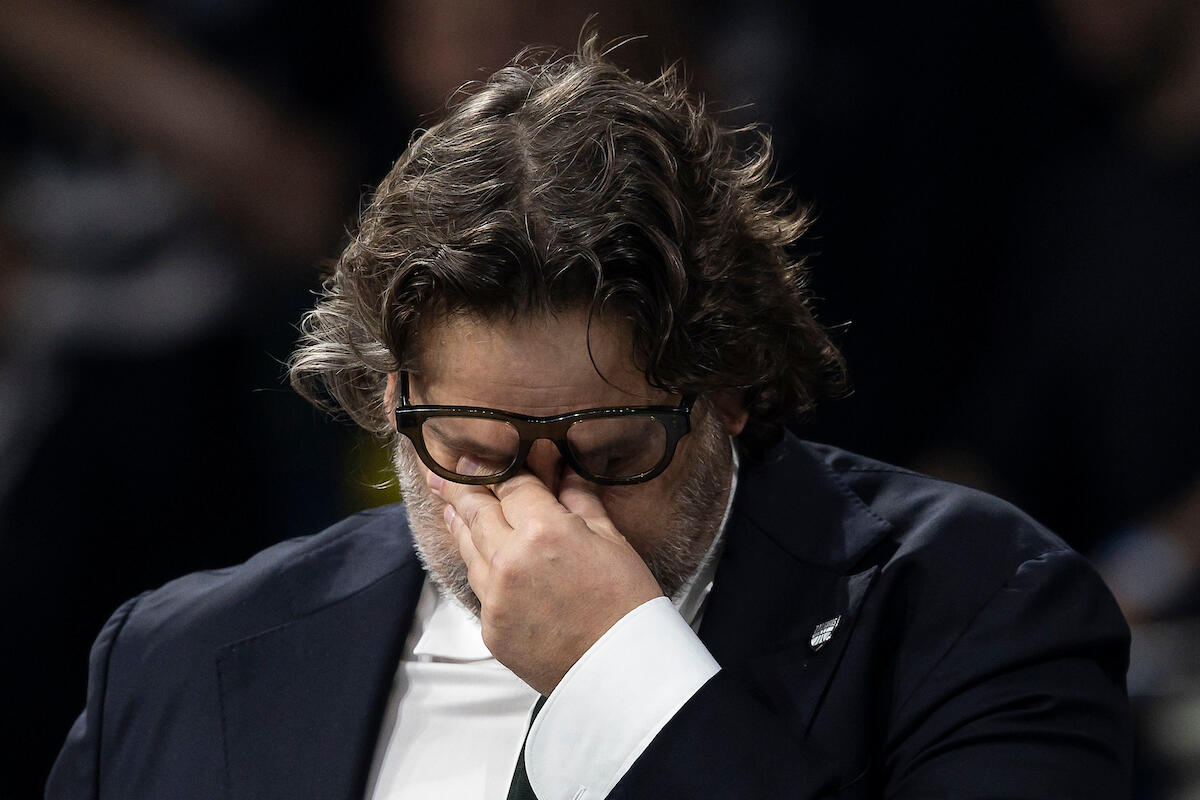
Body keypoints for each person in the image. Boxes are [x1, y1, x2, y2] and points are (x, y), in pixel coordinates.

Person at [46, 36, 1132, 799]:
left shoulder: (982, 613)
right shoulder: (176, 659)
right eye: (474, 453)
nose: (545, 522)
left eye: (611, 455)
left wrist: (620, 671)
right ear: (389, 397)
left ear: (729, 389)